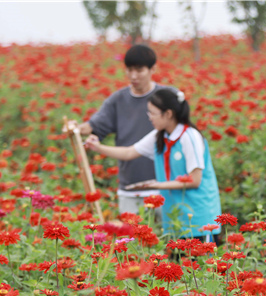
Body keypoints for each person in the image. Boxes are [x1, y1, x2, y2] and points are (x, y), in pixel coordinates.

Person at [85, 87, 222, 242]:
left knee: (200, 264)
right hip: (175, 218)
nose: (149, 117)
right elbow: (129, 153)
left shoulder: (189, 136)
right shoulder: (160, 136)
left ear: (168, 114)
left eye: (152, 113)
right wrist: (97, 147)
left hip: (198, 218)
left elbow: (195, 180)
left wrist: (155, 185)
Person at [67, 44, 166, 215]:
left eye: (139, 70)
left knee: (169, 239)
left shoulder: (167, 97)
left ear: (153, 69)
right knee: (130, 239)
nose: (133, 76)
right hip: (130, 187)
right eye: (129, 70)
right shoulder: (118, 100)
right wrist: (75, 127)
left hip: (164, 186)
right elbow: (94, 126)